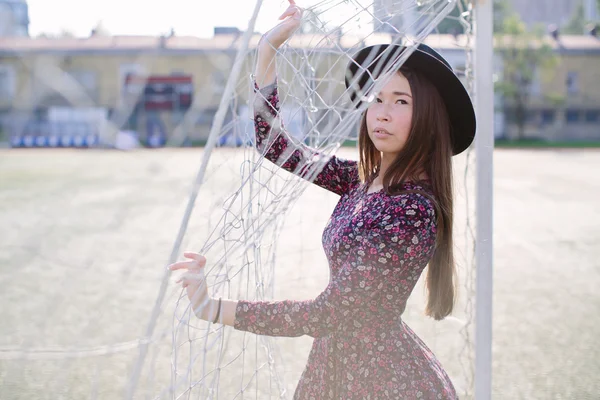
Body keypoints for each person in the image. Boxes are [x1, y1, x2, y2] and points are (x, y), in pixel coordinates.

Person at [169, 1, 476, 398]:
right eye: (376, 98)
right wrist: (268, 51)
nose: (381, 113)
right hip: (333, 366)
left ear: (430, 116)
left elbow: (327, 313)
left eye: (401, 101)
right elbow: (275, 145)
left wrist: (214, 308)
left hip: (385, 381)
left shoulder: (413, 210)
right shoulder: (360, 181)